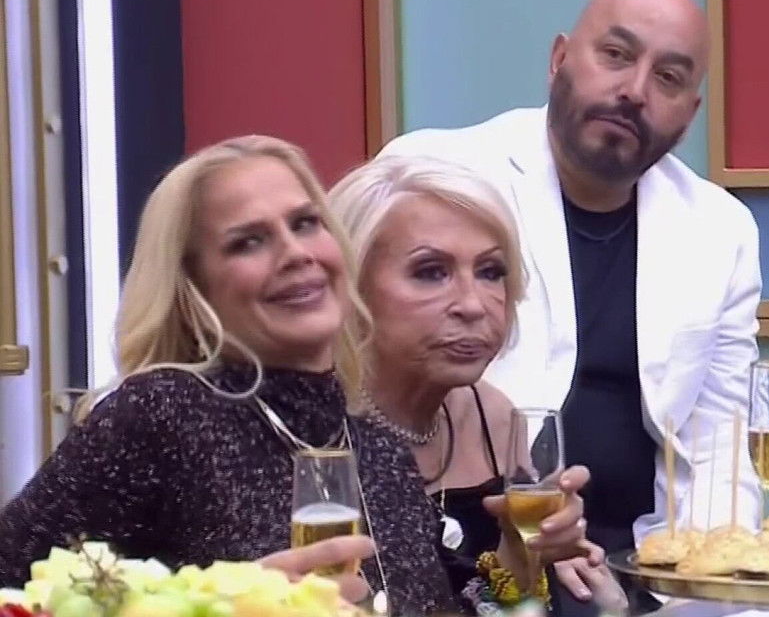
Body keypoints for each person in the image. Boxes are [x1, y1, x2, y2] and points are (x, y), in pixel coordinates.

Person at [0, 136, 590, 616]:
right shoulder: (163, 411)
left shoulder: (374, 442)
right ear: (195, 286)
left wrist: (517, 562)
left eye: (306, 224)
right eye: (249, 242)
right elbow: (13, 590)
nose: (296, 253)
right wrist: (223, 608)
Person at [380, 0, 763, 562]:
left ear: (689, 116)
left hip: (652, 563)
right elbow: (365, 387)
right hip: (486, 548)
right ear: (559, 59)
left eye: (668, 77)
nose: (634, 91)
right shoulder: (437, 175)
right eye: (616, 55)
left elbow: (721, 442)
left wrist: (709, 580)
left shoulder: (720, 229)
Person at [328, 156, 626, 613]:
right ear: (351, 285)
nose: (473, 305)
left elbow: (505, 604)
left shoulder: (495, 417)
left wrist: (533, 554)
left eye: (490, 272)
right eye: (431, 271)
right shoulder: (308, 428)